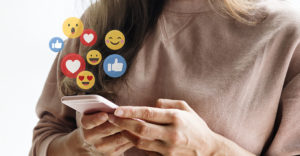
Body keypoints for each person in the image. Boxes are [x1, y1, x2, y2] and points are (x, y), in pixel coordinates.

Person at [30, 0, 300, 155]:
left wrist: (210, 149)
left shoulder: (288, 37)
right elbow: (44, 140)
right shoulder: (97, 24)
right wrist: (82, 146)